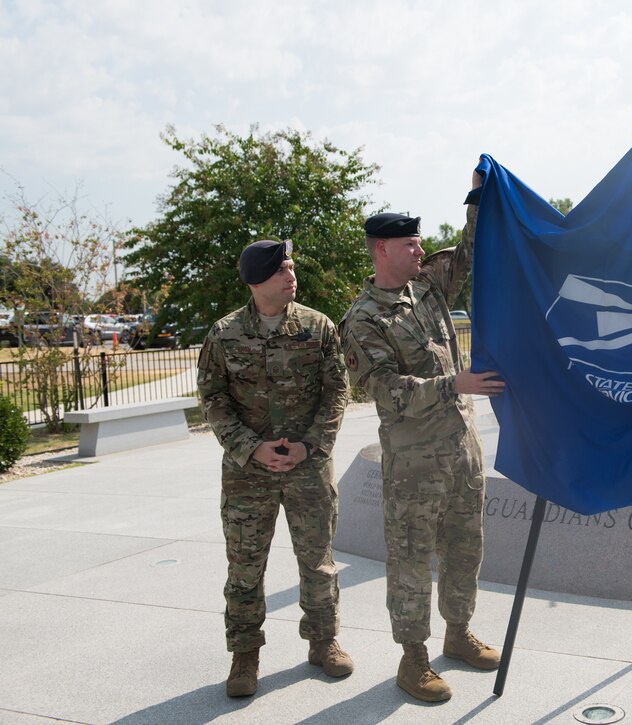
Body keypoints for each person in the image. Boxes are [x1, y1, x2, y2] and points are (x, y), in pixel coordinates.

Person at [339, 171, 505, 703]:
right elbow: (384, 392)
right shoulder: (362, 320)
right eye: (409, 243)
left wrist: (480, 195)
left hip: (461, 452)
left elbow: (470, 251)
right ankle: (412, 661)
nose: (419, 249)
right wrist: (452, 383)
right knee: (411, 560)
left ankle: (457, 636)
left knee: (465, 548)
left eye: (419, 242)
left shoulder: (428, 286)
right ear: (381, 249)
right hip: (413, 466)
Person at [197, 238, 352, 698]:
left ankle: (324, 642)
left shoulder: (318, 327)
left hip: (308, 470)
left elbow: (337, 391)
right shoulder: (223, 334)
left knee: (319, 563)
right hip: (248, 476)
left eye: (291, 268)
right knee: (245, 567)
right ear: (256, 279)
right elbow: (213, 399)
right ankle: (244, 656)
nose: (292, 276)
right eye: (282, 269)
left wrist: (311, 447)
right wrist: (252, 448)